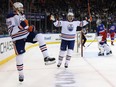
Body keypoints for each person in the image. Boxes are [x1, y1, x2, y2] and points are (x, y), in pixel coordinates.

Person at [6, 2, 55, 82]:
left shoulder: (22, 15)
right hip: (18, 38)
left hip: (27, 34)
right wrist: (21, 26)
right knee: (20, 57)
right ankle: (21, 74)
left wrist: (31, 28)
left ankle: (46, 57)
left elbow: (26, 26)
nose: (22, 9)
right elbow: (11, 31)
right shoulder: (10, 16)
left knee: (40, 36)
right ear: (16, 8)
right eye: (21, 8)